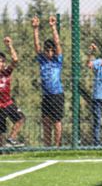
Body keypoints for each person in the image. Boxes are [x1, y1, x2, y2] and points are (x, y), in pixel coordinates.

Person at [32, 15, 64, 147]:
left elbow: (57, 43)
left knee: (56, 121)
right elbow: (36, 45)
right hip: (46, 95)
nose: (49, 52)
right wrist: (35, 29)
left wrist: (53, 27)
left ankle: (57, 146)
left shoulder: (57, 61)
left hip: (57, 94)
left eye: (51, 50)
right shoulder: (42, 60)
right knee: (46, 121)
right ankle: (47, 145)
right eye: (47, 50)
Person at [0, 36, 25, 147]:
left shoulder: (6, 72)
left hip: (8, 103)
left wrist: (9, 45)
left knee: (20, 118)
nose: (0, 64)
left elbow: (15, 60)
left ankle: (11, 139)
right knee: (1, 132)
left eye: (1, 62)